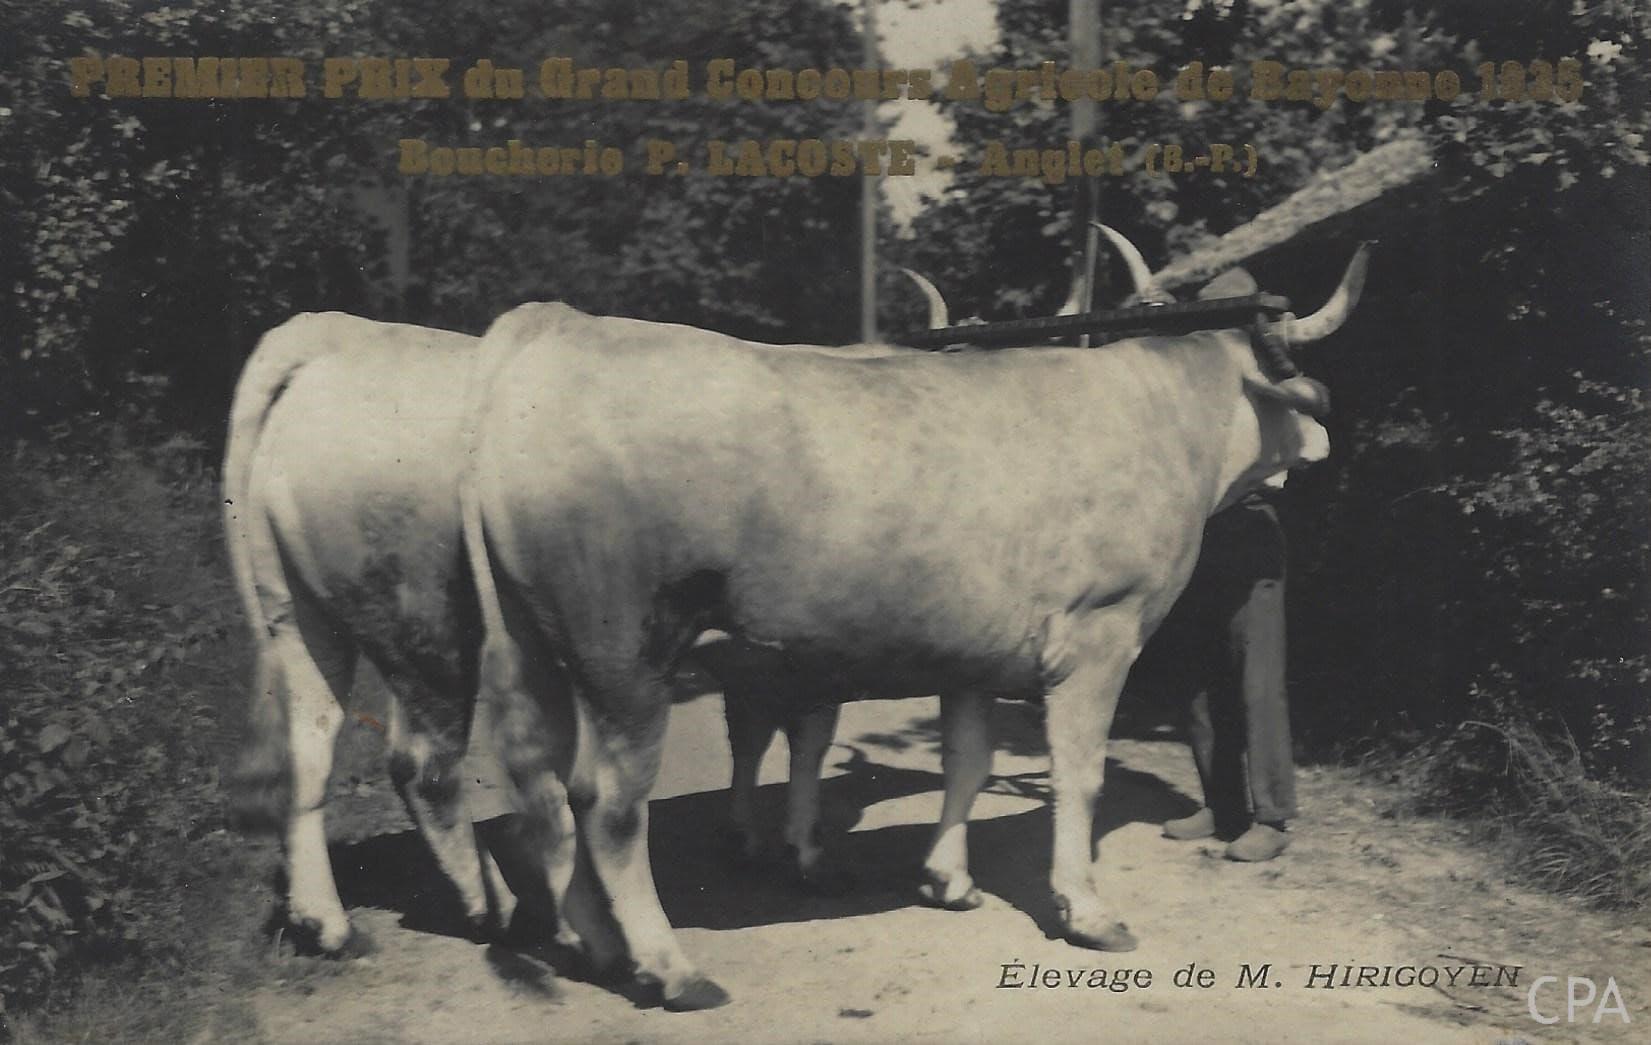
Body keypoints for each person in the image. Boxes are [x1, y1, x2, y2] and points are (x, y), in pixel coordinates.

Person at [1154, 492, 1298, 862]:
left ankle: (1273, 819)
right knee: (1200, 684)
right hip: (1200, 533)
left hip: (1251, 533)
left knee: (1258, 683)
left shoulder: (1272, 430)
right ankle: (1223, 807)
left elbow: (1306, 450)